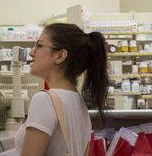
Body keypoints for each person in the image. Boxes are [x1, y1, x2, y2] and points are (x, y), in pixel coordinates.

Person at [12, 23, 108, 156]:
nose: (31, 52)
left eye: (39, 46)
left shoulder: (45, 100)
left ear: (60, 56)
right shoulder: (79, 102)